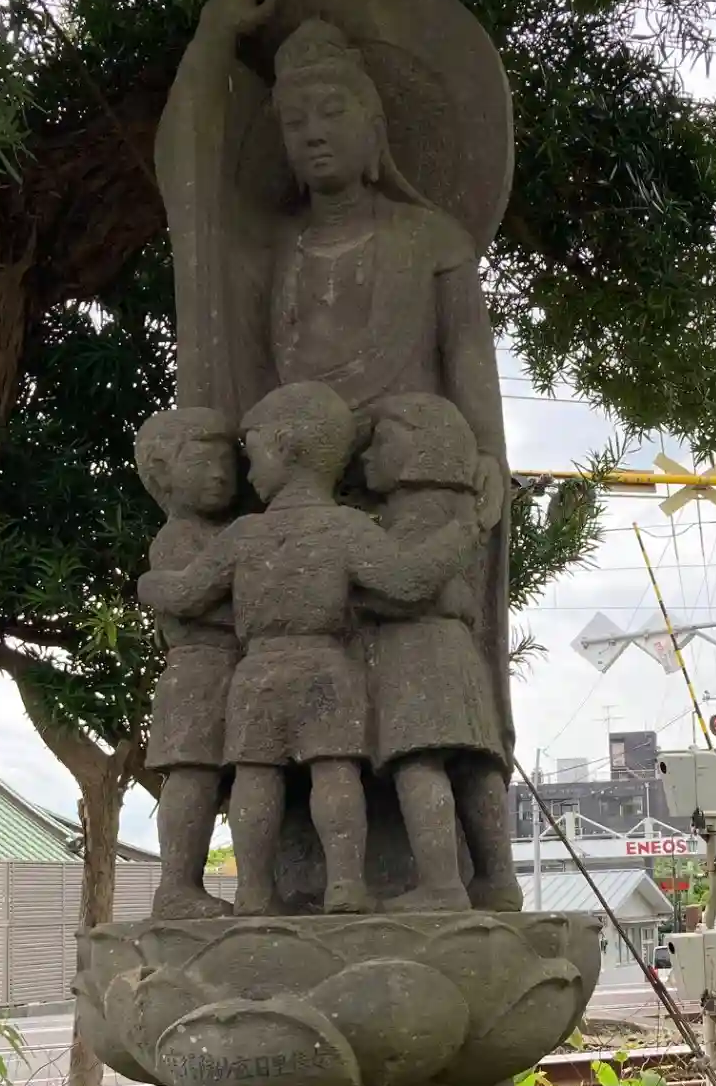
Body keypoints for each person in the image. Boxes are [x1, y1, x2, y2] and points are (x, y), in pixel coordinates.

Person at [137, 380, 476, 916]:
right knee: (336, 772)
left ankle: (253, 892)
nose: (248, 473)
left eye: (254, 456)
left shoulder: (243, 534)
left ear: (285, 447)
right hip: (325, 664)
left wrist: (148, 586)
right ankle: (346, 884)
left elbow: (186, 592)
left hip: (257, 670)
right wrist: (460, 535)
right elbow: (408, 581)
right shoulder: (346, 528)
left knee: (255, 775)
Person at [360, 394, 522, 911]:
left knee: (419, 760)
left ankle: (441, 884)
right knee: (475, 763)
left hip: (416, 646)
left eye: (380, 443)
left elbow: (406, 583)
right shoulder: (458, 506)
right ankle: (498, 879)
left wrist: (357, 590)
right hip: (458, 650)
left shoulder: (416, 512)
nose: (367, 457)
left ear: (420, 451)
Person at [133, 406, 239, 920]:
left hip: (233, 668)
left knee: (241, 776)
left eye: (226, 463)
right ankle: (176, 885)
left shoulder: (226, 532)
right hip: (199, 669)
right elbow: (189, 598)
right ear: (163, 473)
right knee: (194, 775)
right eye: (202, 463)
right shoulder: (178, 538)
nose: (218, 474)